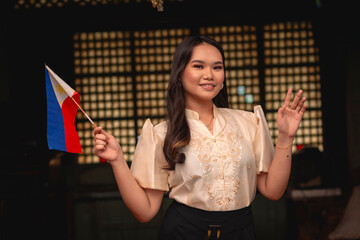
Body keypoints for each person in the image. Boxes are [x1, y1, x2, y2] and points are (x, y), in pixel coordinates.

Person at [93, 35, 307, 240]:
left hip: (241, 231)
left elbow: (273, 190)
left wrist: (286, 137)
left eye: (217, 67)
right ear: (179, 73)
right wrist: (118, 160)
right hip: (184, 232)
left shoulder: (249, 123)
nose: (209, 74)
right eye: (198, 66)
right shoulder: (160, 134)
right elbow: (146, 211)